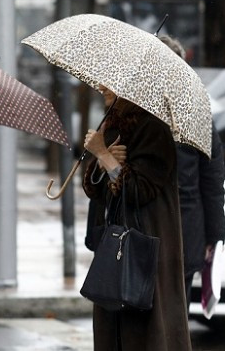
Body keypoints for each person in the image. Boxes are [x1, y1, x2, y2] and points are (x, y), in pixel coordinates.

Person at [82, 85, 192, 350]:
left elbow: (139, 190)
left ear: (129, 87)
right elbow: (98, 191)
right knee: (115, 324)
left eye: (109, 83)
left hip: (144, 246)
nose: (101, 87)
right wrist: (103, 162)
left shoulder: (154, 128)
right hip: (115, 246)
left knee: (145, 330)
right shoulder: (113, 125)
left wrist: (105, 155)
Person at [159, 35, 225, 305]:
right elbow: (212, 184)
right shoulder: (197, 115)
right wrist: (214, 236)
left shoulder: (137, 116)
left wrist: (215, 236)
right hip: (181, 236)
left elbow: (211, 183)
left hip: (173, 236)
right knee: (174, 321)